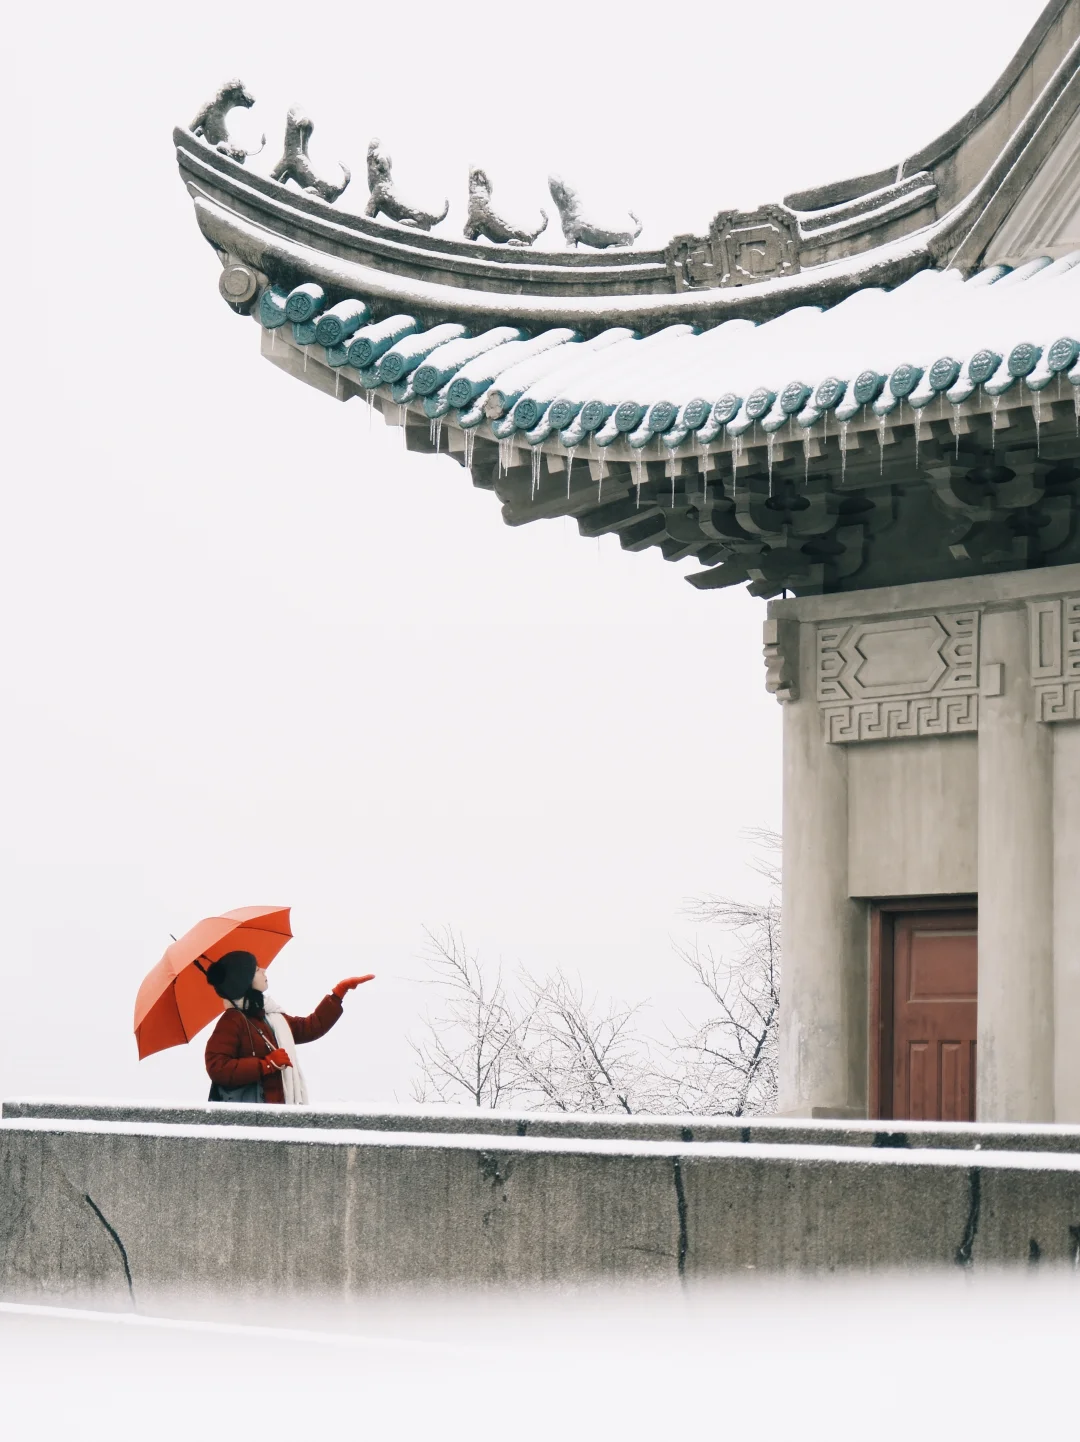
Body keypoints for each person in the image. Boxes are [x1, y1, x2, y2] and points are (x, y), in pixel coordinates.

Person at [203, 950, 373, 1104]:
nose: (263, 971)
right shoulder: (232, 1021)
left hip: (276, 1112)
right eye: (256, 970)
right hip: (253, 1120)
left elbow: (309, 1027)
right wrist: (266, 1064)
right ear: (243, 980)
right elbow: (217, 1067)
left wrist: (338, 993)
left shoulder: (270, 1016)